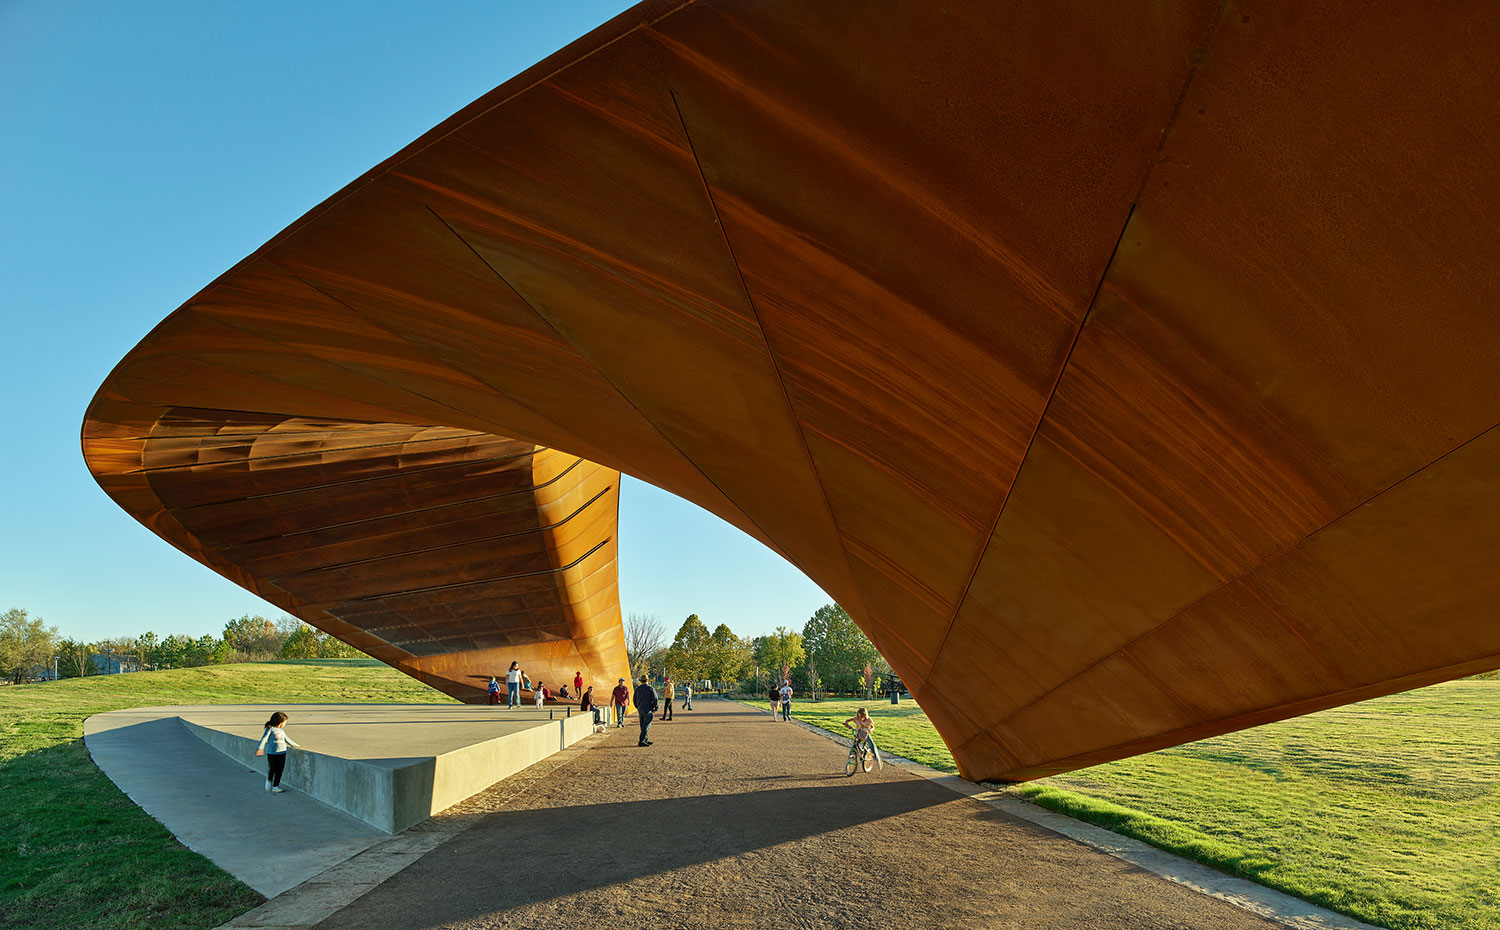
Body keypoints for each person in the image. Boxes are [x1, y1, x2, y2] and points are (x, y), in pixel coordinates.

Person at [253, 711, 299, 793]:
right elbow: (264, 739)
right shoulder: (270, 729)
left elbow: (287, 739)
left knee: (280, 770)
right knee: (273, 769)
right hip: (272, 754)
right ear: (280, 721)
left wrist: (295, 745)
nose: (285, 724)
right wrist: (260, 748)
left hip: (282, 753)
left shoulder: (281, 731)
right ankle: (269, 780)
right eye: (285, 722)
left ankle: (275, 786)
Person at [633, 674, 658, 746]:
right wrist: (655, 707)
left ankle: (645, 739)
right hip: (648, 709)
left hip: (640, 709)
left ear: (640, 681)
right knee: (646, 726)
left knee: (642, 725)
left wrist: (637, 707)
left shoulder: (637, 689)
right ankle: (641, 741)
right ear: (648, 680)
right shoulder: (650, 688)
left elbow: (634, 700)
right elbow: (655, 699)